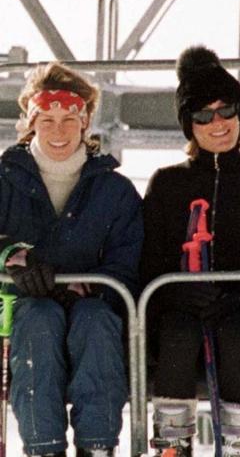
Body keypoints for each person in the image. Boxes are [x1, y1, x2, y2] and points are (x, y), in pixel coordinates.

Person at [140, 45, 240, 457]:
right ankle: (172, 444)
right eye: (203, 115)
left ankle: (239, 444)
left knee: (239, 334)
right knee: (177, 333)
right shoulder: (167, 185)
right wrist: (178, 292)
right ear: (189, 125)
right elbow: (149, 262)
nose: (218, 123)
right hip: (178, 311)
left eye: (226, 110)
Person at [0, 62, 143, 457]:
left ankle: (97, 445)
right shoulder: (5, 181)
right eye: (46, 119)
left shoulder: (114, 191)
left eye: (69, 119)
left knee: (95, 323)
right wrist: (11, 258)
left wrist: (95, 285)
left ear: (85, 121)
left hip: (91, 307)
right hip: (21, 308)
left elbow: (127, 258)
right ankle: (43, 446)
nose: (58, 131)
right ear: (31, 122)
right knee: (39, 320)